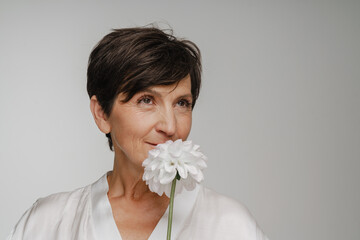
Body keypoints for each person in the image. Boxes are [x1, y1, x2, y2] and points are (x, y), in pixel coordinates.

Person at [8, 26, 269, 240]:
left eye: (182, 103)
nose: (170, 126)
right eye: (146, 100)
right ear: (102, 113)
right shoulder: (47, 224)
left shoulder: (231, 226)